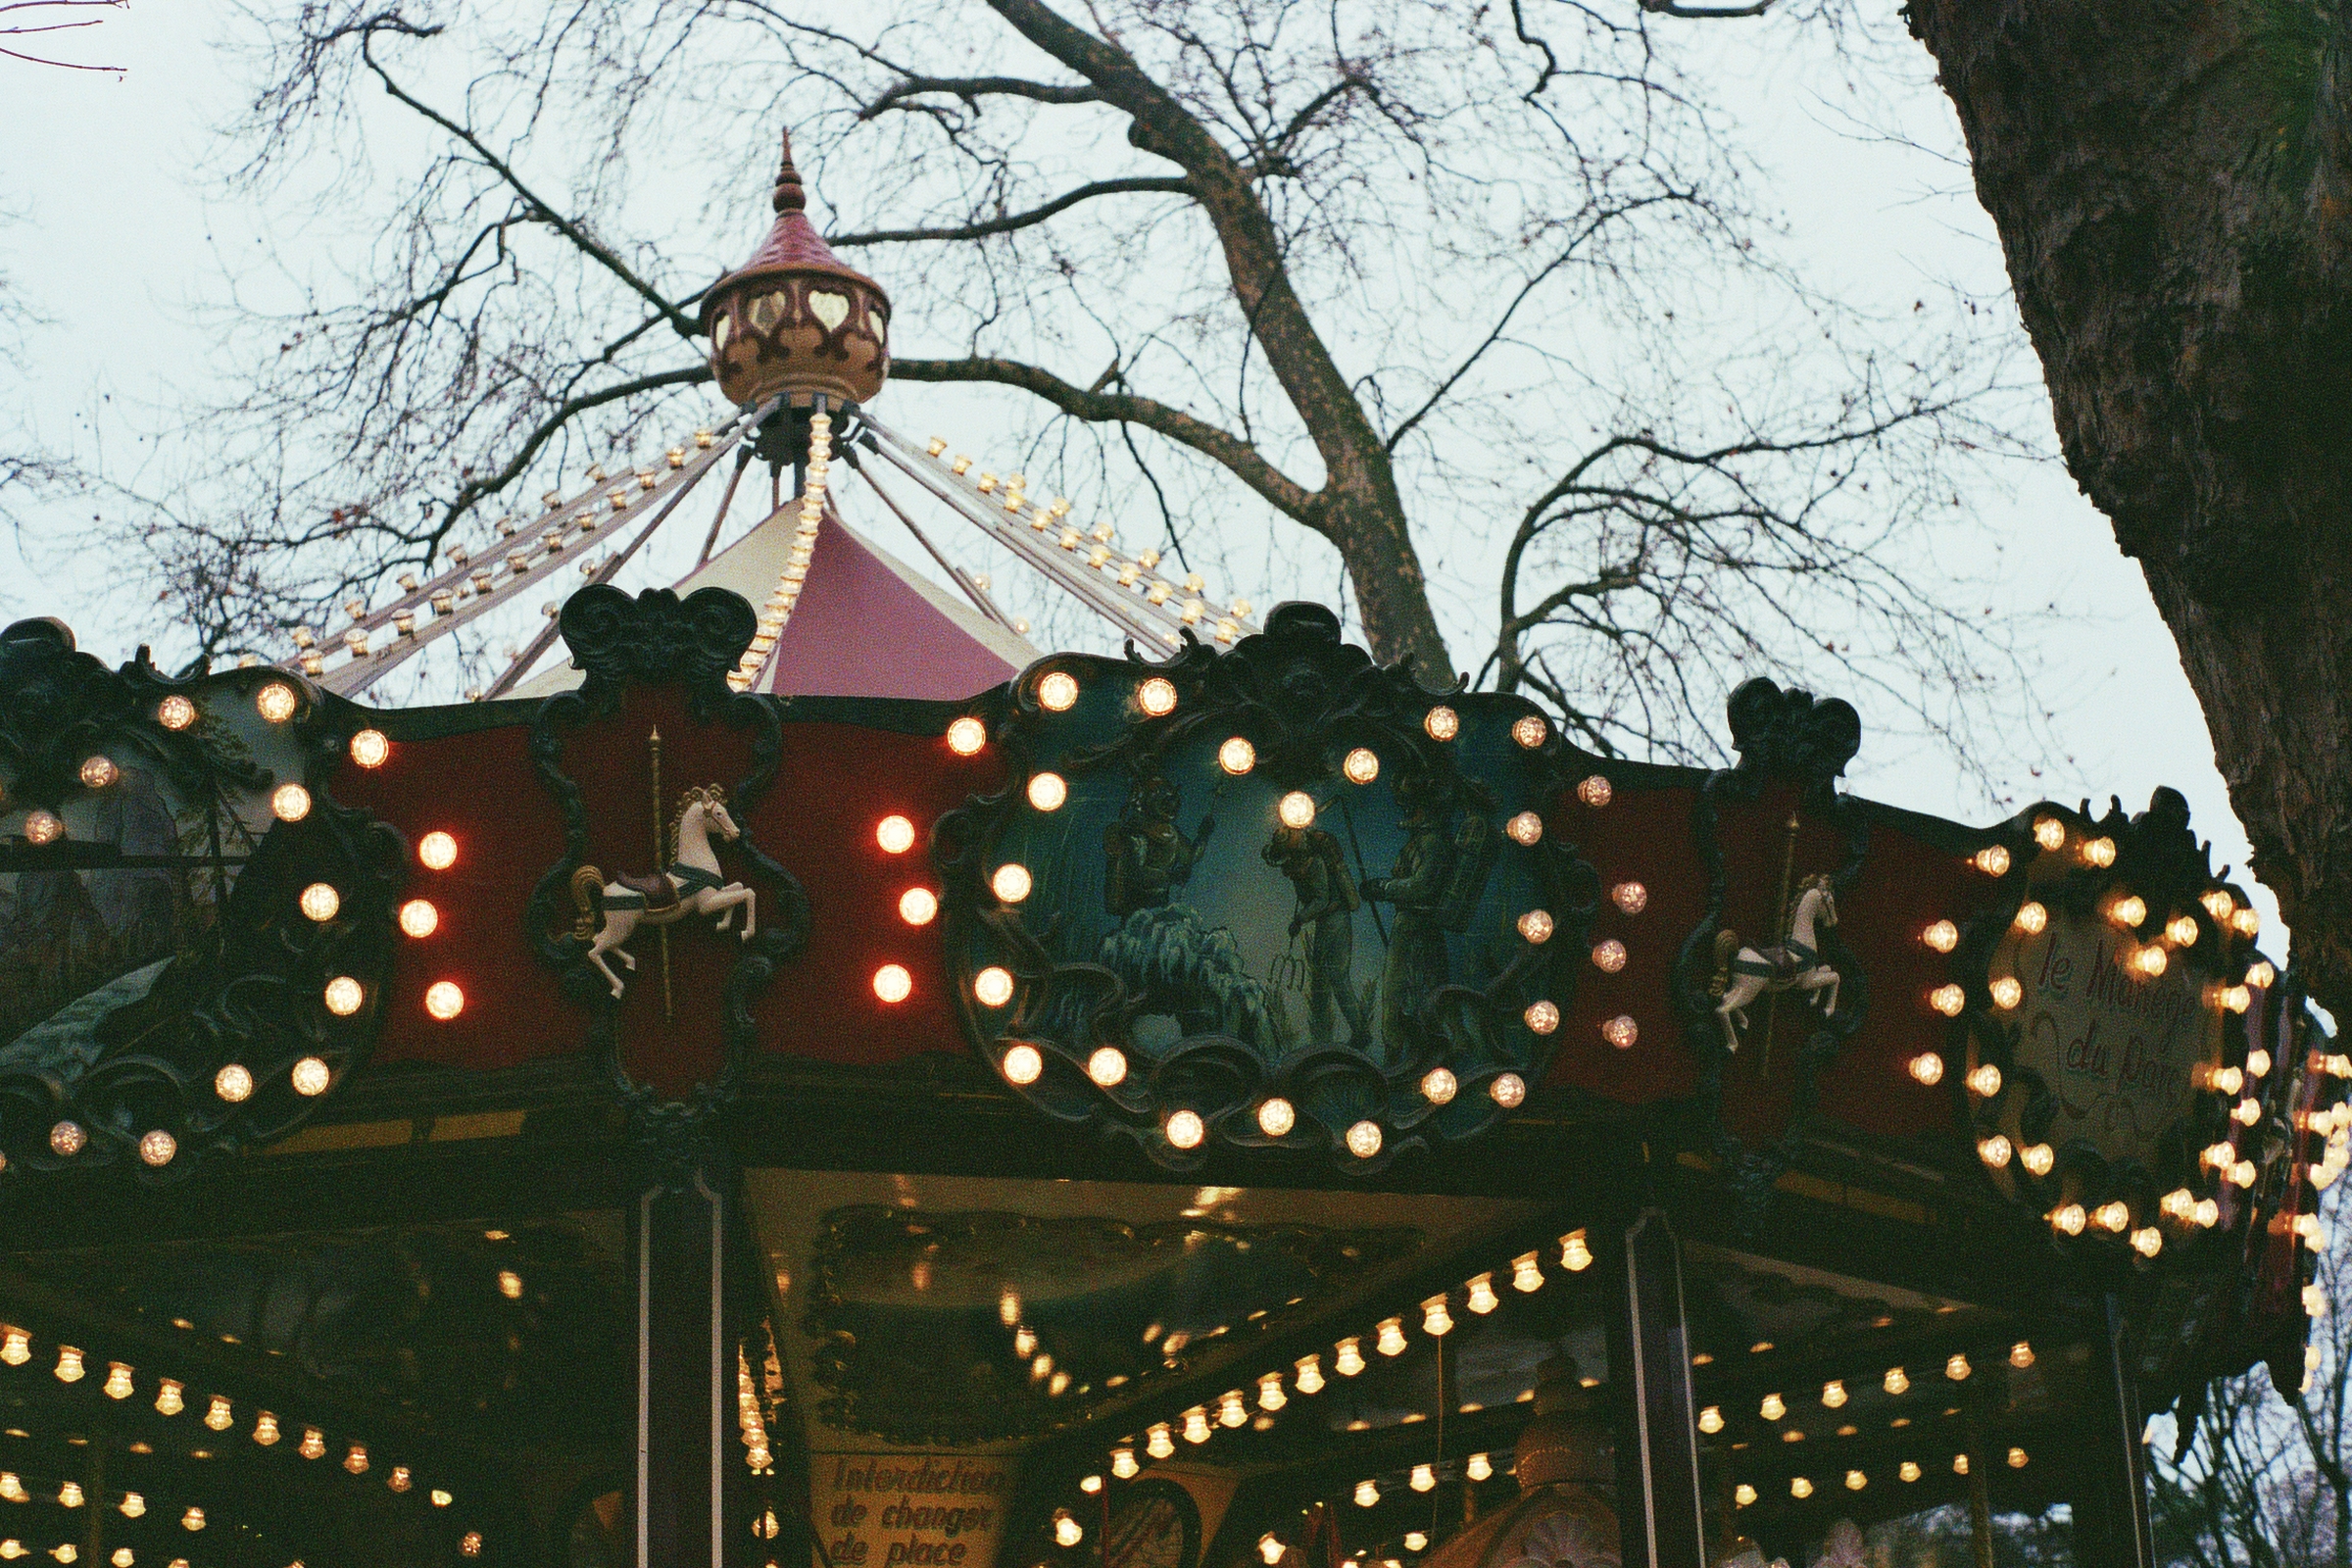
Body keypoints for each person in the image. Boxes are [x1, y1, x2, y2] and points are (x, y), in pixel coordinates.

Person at [1262, 817, 1372, 1047]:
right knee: (1326, 974)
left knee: (1335, 976)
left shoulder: (1315, 864)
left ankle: (1357, 1031)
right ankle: (1337, 1032)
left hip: (1335, 920)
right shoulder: (1302, 866)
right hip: (1328, 921)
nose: (1284, 869)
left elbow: (1322, 899)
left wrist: (1299, 919)